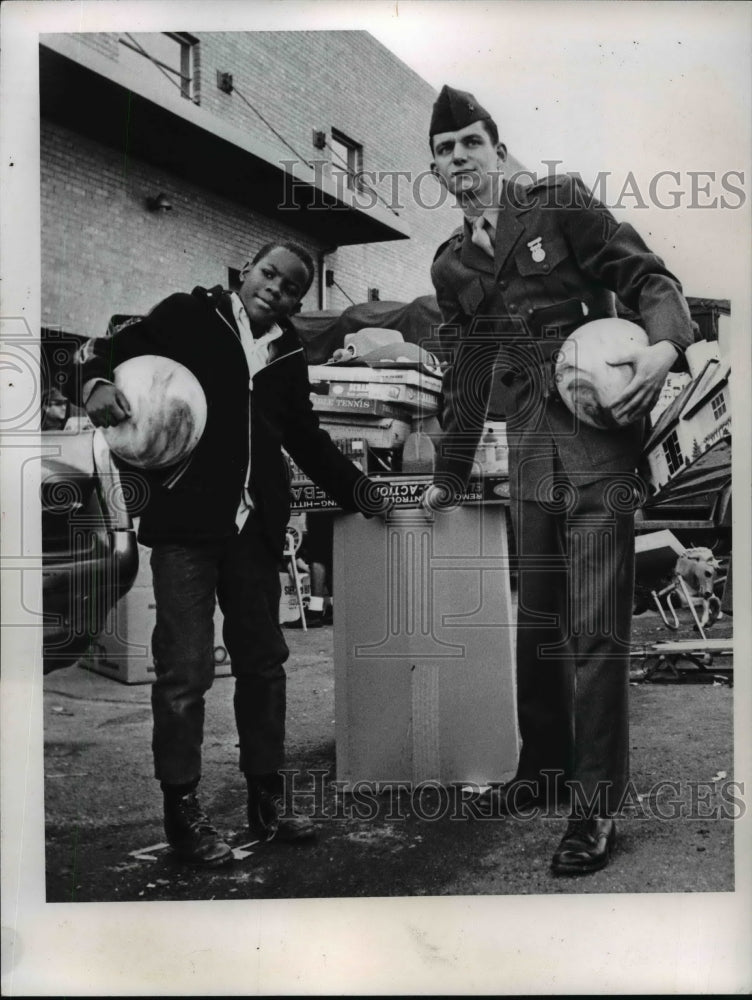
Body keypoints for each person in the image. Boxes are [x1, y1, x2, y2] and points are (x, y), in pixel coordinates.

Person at [422, 86, 695, 875]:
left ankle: (594, 807)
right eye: (444, 151)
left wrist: (664, 348)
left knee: (596, 627)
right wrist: (448, 473)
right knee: (538, 620)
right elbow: (467, 375)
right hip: (530, 448)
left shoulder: (559, 203)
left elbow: (647, 277)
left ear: (497, 149)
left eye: (470, 142)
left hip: (597, 435)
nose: (459, 158)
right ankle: (542, 767)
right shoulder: (450, 263)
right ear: (435, 170)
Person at [78, 242, 388, 866]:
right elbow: (105, 348)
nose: (276, 288)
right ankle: (183, 811)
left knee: (264, 664)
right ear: (246, 271)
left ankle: (266, 800)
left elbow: (304, 435)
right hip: (186, 527)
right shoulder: (188, 315)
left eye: (291, 286)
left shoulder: (289, 352)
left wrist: (362, 492)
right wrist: (93, 383)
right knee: (185, 671)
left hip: (255, 530)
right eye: (269, 273)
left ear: (298, 300)